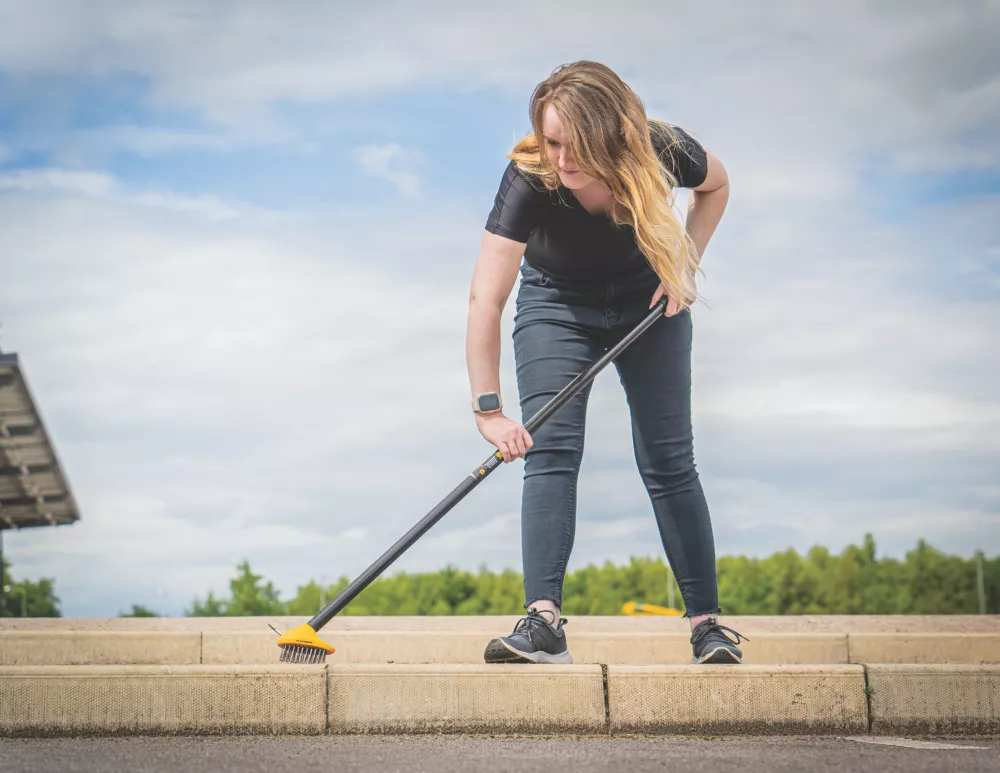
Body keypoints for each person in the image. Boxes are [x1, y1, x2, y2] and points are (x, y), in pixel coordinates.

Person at [466, 61, 746, 666]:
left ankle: (708, 626)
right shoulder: (529, 177)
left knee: (670, 459)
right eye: (552, 141)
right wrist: (489, 411)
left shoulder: (663, 149)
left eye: (577, 143)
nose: (563, 159)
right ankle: (543, 623)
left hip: (650, 299)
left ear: (614, 134)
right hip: (556, 306)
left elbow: (716, 186)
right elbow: (485, 298)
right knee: (551, 449)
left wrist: (685, 267)